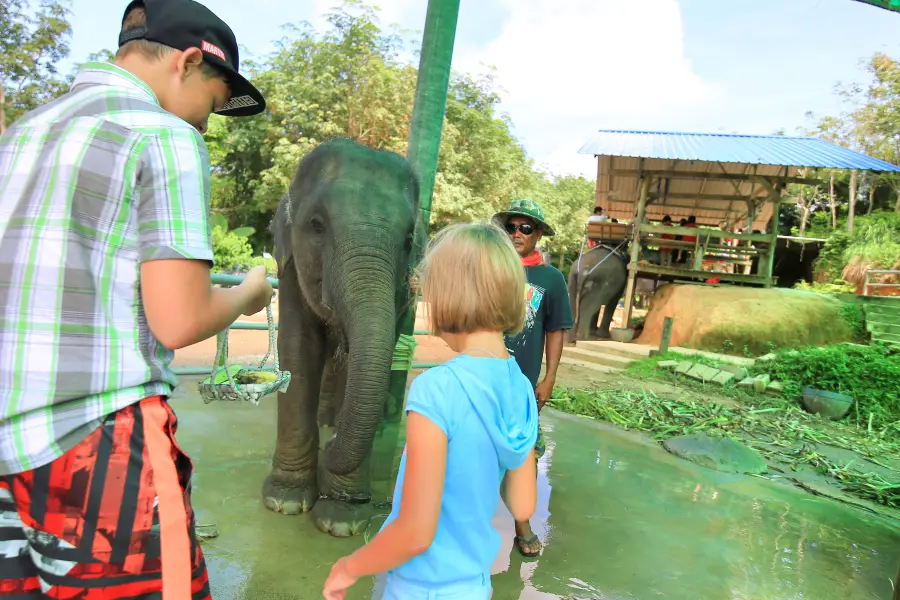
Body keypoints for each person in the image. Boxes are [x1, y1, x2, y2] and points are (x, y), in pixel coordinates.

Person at [0, 1, 273, 597]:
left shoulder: (24, 131)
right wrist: (248, 293)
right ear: (190, 61)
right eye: (215, 102)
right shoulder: (164, 134)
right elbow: (179, 321)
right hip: (98, 443)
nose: (207, 121)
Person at [322, 223, 539, 600]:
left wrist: (349, 566)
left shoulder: (437, 389)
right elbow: (523, 504)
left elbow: (416, 534)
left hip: (422, 589)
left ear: (449, 296)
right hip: (475, 585)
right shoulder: (520, 385)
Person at [493, 198, 573, 557]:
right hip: (484, 378)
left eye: (525, 228)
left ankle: (521, 527)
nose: (516, 234)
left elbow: (556, 329)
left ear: (538, 234)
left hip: (523, 385)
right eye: (511, 227)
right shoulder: (490, 268)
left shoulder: (550, 279)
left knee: (525, 455)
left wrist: (549, 377)